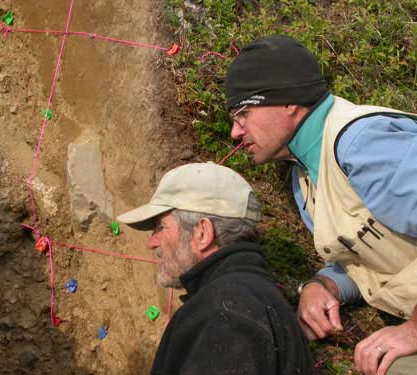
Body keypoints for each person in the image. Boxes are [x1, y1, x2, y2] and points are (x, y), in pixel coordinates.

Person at [224, 34, 417, 375]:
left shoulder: (361, 145)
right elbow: (366, 259)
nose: (235, 133)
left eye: (243, 113)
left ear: (289, 101)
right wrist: (322, 285)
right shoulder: (305, 179)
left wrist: (413, 330)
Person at [117, 162, 312, 375]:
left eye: (160, 227)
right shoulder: (251, 299)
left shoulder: (226, 314)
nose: (152, 242)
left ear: (202, 233)